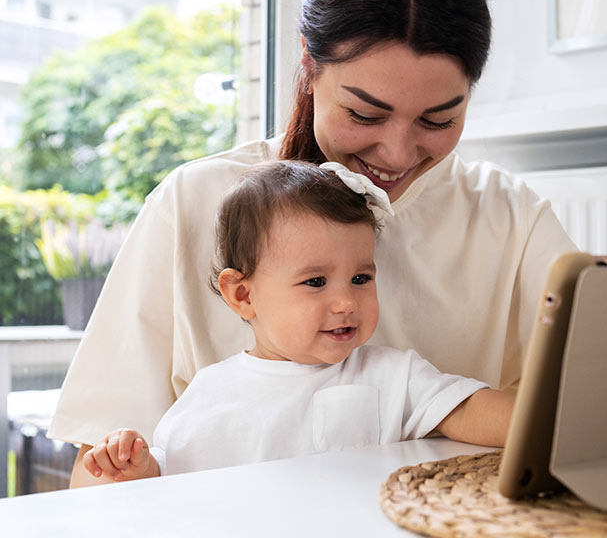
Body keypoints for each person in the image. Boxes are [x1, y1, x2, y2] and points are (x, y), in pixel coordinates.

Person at [53, 0, 607, 487]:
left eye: (439, 119)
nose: (398, 153)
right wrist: (120, 472)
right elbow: (96, 481)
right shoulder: (195, 206)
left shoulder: (506, 216)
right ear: (309, 65)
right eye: (365, 112)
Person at [82, 161, 513, 481]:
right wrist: (135, 467)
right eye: (315, 282)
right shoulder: (211, 391)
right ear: (244, 295)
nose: (346, 301)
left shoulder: (392, 375)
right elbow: (170, 476)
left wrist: (558, 420)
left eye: (361, 278)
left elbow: (471, 410)